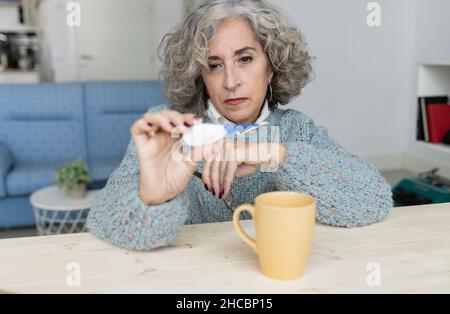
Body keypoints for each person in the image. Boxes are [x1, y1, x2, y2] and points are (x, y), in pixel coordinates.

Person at [87, 0, 393, 251]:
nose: (231, 82)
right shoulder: (169, 131)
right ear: (199, 75)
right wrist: (152, 197)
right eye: (214, 65)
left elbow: (374, 200)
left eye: (245, 59)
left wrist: (277, 156)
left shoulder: (296, 131)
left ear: (271, 67)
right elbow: (103, 219)